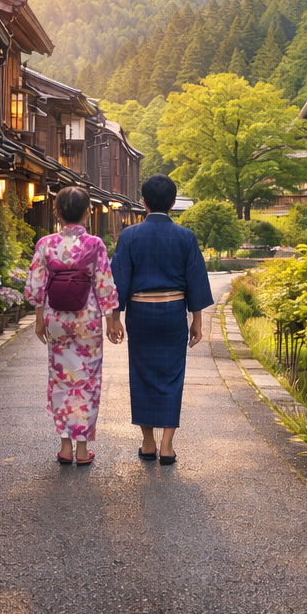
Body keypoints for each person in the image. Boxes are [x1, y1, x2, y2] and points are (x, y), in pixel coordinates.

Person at [109, 174, 214, 465]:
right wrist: (197, 321)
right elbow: (196, 281)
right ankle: (167, 445)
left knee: (141, 374)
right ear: (172, 203)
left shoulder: (129, 235)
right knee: (172, 376)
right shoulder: (185, 237)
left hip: (140, 313)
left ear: (143, 203)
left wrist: (114, 318)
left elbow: (119, 280)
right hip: (173, 312)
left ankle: (147, 441)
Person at [24, 187, 120, 466]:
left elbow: (36, 285)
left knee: (61, 379)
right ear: (88, 212)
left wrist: (40, 318)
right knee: (87, 381)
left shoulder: (46, 244)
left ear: (56, 213)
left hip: (56, 317)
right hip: (86, 318)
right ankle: (81, 448)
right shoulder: (95, 245)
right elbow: (104, 284)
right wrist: (112, 319)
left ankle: (65, 446)